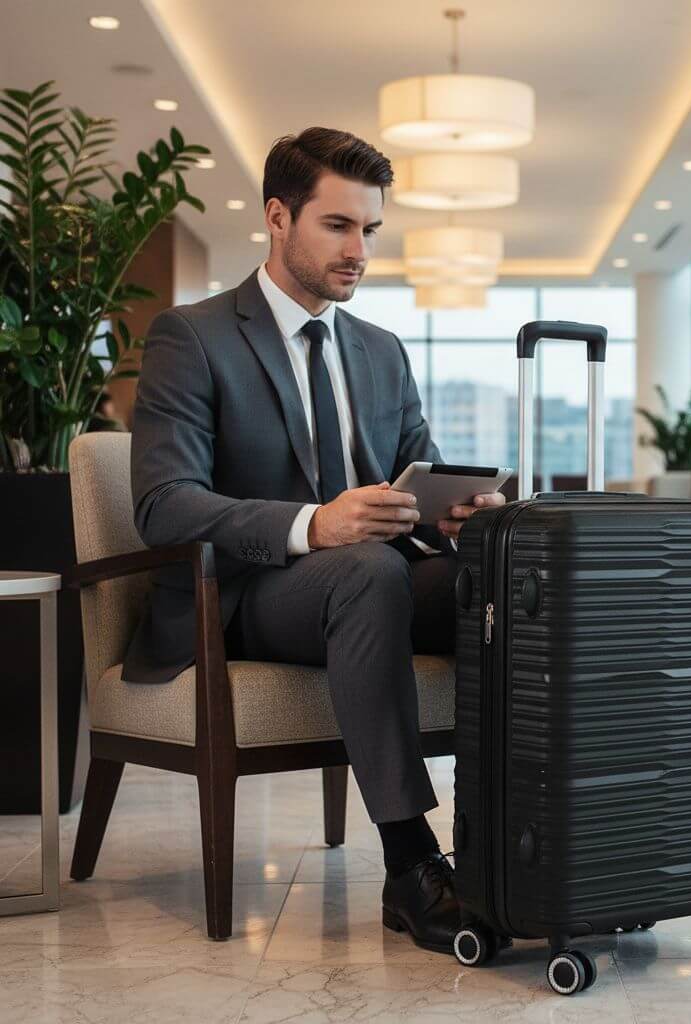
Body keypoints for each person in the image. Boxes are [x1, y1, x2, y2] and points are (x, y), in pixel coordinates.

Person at [125, 127, 504, 954]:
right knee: (364, 571)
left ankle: (514, 842)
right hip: (246, 591)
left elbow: (417, 471)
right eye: (338, 226)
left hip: (373, 580)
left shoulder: (380, 350)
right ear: (277, 217)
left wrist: (452, 514)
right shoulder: (192, 337)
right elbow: (162, 502)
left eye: (370, 230)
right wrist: (312, 524)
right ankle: (411, 866)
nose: (359, 250)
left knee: (504, 575)